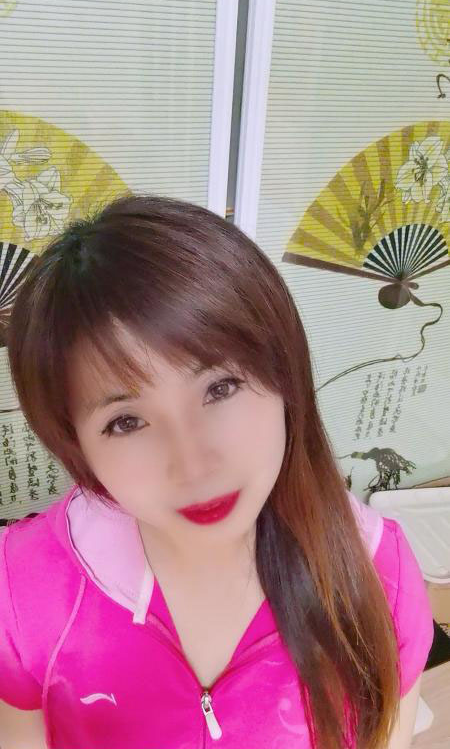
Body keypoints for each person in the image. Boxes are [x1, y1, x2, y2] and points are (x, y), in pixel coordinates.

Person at [0, 194, 433, 749]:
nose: (194, 464)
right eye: (126, 422)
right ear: (74, 444)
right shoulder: (26, 590)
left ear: (285, 373)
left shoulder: (378, 573)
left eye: (221, 387)